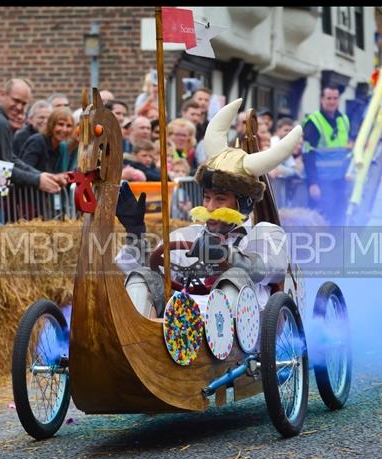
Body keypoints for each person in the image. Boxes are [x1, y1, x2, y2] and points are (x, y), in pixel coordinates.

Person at [115, 97, 301, 318]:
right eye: (207, 198)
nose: (210, 207)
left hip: (242, 331)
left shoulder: (264, 232)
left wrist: (226, 255)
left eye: (220, 199)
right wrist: (135, 232)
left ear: (244, 203)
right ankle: (136, 343)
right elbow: (142, 266)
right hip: (181, 329)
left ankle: (221, 342)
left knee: (233, 278)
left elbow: (268, 269)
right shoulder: (187, 235)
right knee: (141, 277)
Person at [0, 78, 65, 195]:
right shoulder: (0, 122)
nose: (20, 107)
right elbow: (1, 166)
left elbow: (10, 159)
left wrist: (39, 175)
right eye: (16, 101)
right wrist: (37, 179)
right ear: (2, 94)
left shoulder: (0, 120)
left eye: (24, 103)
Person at [302, 84, 352, 226]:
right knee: (321, 220)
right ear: (322, 99)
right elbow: (307, 155)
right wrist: (313, 183)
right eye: (329, 98)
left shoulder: (344, 120)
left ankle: (338, 247)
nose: (332, 101)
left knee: (339, 219)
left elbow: (347, 151)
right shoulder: (314, 122)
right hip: (321, 181)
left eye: (335, 98)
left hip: (340, 181)